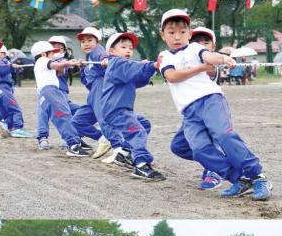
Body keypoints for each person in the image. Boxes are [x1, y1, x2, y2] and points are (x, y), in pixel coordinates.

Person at [158, 8, 272, 201]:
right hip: (188, 111)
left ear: (190, 33)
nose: (177, 36)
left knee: (223, 135)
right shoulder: (165, 56)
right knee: (199, 149)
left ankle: (257, 176)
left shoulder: (194, 48)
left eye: (182, 32)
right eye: (171, 32)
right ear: (163, 35)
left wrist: (223, 58)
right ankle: (238, 179)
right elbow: (172, 76)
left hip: (210, 99)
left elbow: (209, 56)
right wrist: (201, 68)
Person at [100, 32, 165, 180]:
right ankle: (141, 165)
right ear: (112, 51)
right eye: (123, 47)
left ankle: (123, 153)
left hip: (120, 110)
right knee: (137, 132)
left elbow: (138, 80)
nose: (128, 50)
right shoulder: (116, 63)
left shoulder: (122, 66)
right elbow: (132, 70)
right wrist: (152, 65)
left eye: (130, 48)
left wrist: (148, 68)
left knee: (143, 124)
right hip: (115, 110)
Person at [170, 26, 222, 190]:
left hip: (208, 112)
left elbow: (211, 69)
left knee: (207, 144)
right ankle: (217, 160)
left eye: (206, 42)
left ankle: (214, 170)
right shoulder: (183, 62)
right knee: (178, 146)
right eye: (197, 42)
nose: (201, 45)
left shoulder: (210, 65)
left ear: (212, 47)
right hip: (190, 114)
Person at [32, 40, 90, 156]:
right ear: (44, 54)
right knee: (63, 116)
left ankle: (74, 143)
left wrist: (64, 64)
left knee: (63, 116)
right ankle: (73, 145)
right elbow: (56, 65)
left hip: (49, 93)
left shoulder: (43, 64)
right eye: (51, 53)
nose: (54, 55)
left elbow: (59, 72)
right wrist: (68, 63)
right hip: (51, 91)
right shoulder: (43, 60)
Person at [71, 26, 112, 160]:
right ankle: (102, 138)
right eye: (83, 41)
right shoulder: (88, 58)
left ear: (98, 41)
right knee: (77, 121)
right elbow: (86, 82)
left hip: (100, 90)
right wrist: (82, 68)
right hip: (92, 94)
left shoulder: (97, 52)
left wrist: (106, 59)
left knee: (103, 118)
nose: (86, 44)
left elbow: (103, 56)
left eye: (89, 40)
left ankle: (118, 147)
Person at [0, 40, 33, 138]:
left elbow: (4, 68)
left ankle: (8, 127)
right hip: (2, 88)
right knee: (15, 109)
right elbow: (1, 69)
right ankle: (17, 128)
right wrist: (10, 65)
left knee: (6, 112)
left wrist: (13, 67)